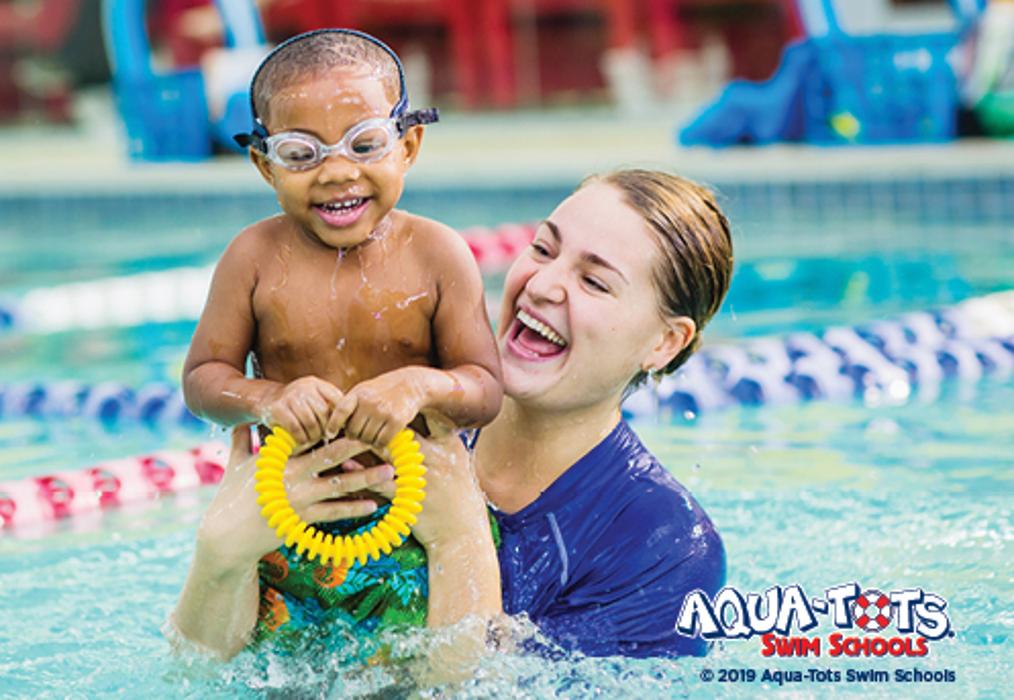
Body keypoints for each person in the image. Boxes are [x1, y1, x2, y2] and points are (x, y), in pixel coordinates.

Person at [171, 168, 732, 661]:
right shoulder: (393, 409)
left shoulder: (664, 549)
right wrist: (222, 555)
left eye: (594, 281)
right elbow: (201, 676)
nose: (542, 285)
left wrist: (458, 536)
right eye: (542, 249)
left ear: (664, 343)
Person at [180, 28, 502, 644]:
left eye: (365, 144)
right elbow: (202, 381)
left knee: (439, 671)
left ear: (408, 145)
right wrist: (270, 398)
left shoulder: (438, 255)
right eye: (301, 154)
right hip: (288, 523)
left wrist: (419, 385)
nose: (337, 173)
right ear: (264, 165)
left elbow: (485, 389)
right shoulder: (252, 259)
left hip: (416, 526)